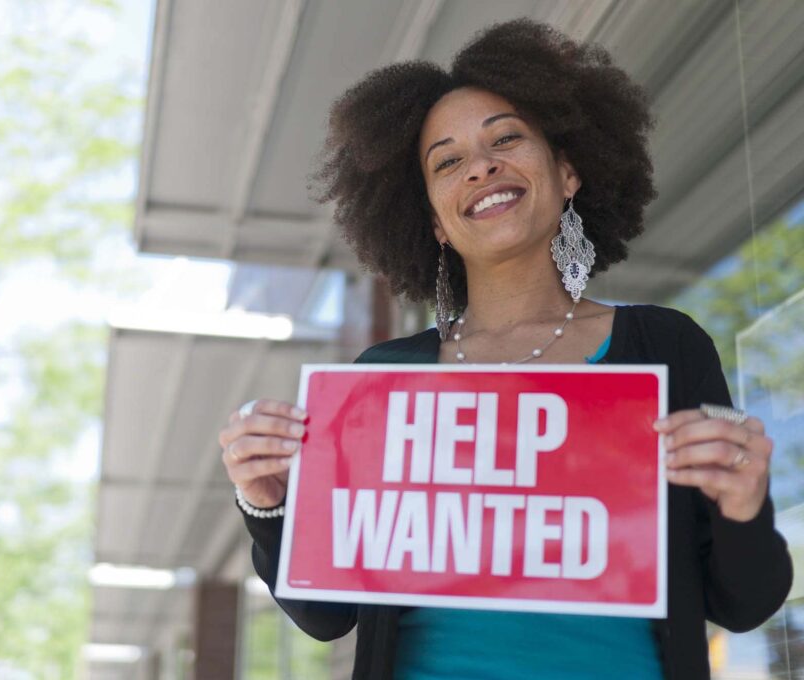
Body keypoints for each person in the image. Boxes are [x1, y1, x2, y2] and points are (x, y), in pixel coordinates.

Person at [217, 18, 791, 680]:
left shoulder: (663, 348)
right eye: (448, 161)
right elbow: (328, 614)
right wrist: (266, 503)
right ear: (433, 220)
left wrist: (743, 506)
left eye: (507, 138)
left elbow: (743, 604)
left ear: (567, 172)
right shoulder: (385, 381)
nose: (482, 166)